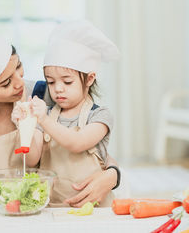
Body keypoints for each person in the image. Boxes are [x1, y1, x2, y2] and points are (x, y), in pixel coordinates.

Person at [0, 16, 120, 208]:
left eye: (18, 66)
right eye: (7, 82)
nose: (20, 83)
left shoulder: (46, 95)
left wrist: (112, 175)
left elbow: (92, 149)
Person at [13, 20, 119, 207]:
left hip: (94, 209)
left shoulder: (100, 116)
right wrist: (24, 126)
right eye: (51, 82)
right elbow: (31, 159)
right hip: (53, 207)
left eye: (67, 82)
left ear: (90, 79)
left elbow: (76, 143)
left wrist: (43, 120)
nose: (58, 89)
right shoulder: (44, 114)